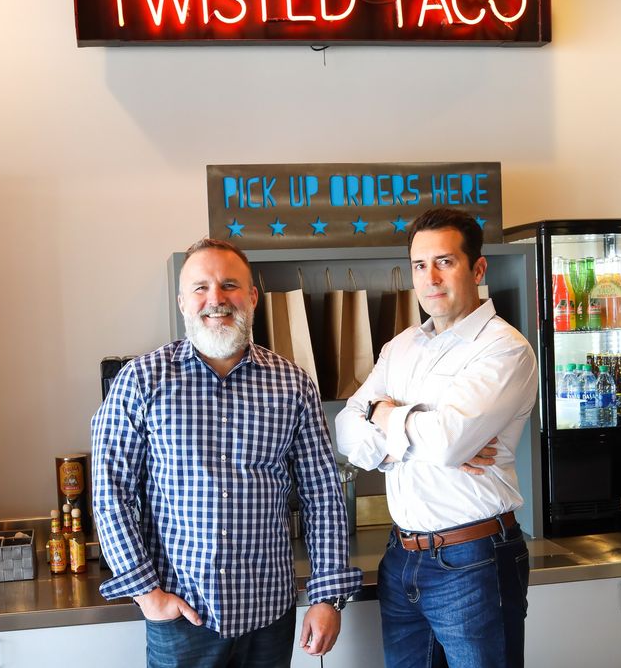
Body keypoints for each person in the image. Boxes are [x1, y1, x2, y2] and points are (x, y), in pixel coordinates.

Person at [92, 238, 362, 668]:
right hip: (182, 615)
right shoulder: (141, 381)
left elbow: (322, 494)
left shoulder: (293, 384)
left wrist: (327, 596)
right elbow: (111, 494)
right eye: (200, 287)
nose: (215, 299)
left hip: (269, 616)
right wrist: (147, 594)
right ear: (182, 301)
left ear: (252, 296)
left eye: (229, 285)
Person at [336, 208, 538, 668]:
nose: (430, 278)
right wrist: (414, 431)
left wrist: (383, 414)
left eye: (444, 262)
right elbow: (347, 432)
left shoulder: (503, 348)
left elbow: (448, 443)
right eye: (419, 265)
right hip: (401, 557)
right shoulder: (401, 346)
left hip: (475, 560)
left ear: (478, 268)